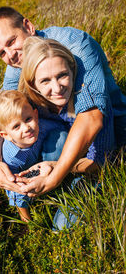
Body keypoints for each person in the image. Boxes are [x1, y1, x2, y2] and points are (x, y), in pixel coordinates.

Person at [0, 6, 126, 197]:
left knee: (65, 222)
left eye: (12, 41)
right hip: (59, 126)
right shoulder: (16, 63)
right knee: (9, 141)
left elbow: (92, 118)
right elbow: (1, 111)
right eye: (1, 53)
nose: (10, 55)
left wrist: (55, 176)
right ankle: (26, 187)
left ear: (28, 26)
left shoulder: (75, 46)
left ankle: (71, 176)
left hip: (104, 127)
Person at [16, 36, 126, 230]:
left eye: (62, 75)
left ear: (73, 71)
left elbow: (102, 163)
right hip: (68, 157)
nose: (57, 88)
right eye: (45, 80)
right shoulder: (34, 104)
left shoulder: (90, 106)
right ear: (33, 84)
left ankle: (68, 185)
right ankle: (55, 184)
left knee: (61, 228)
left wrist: (55, 167)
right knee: (54, 141)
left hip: (96, 167)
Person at [0, 90, 67, 222]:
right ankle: (27, 218)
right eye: (16, 126)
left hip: (43, 161)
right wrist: (25, 217)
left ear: (35, 115)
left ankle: (59, 181)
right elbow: (14, 188)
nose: (26, 128)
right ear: (6, 135)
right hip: (25, 173)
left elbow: (62, 127)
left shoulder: (41, 126)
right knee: (20, 186)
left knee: (61, 136)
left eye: (28, 119)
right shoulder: (10, 157)